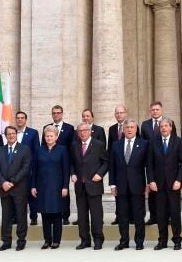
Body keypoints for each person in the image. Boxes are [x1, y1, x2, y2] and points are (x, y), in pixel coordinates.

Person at [147, 117, 182, 250]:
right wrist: (151, 180)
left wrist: (179, 180)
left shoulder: (178, 141)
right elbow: (149, 164)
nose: (163, 128)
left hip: (173, 184)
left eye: (166, 126)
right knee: (161, 214)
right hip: (158, 185)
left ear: (170, 127)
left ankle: (177, 240)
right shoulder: (153, 142)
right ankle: (162, 240)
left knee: (175, 213)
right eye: (161, 126)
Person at [110, 119, 148, 251]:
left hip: (138, 185)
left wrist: (148, 183)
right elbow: (112, 166)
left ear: (136, 129)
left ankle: (139, 242)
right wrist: (112, 185)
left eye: (132, 127)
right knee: (122, 215)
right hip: (121, 186)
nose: (130, 129)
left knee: (139, 216)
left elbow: (148, 166)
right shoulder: (116, 145)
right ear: (123, 130)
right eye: (127, 127)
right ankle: (124, 241)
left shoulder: (143, 144)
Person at [71, 122, 108, 250]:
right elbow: (72, 162)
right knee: (81, 216)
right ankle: (84, 240)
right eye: (79, 131)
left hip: (94, 185)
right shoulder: (74, 145)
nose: (82, 133)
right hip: (80, 186)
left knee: (96, 215)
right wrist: (72, 173)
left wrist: (100, 174)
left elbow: (106, 162)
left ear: (90, 131)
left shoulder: (99, 145)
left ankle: (98, 240)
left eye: (85, 130)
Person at [31, 125, 69, 249]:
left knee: (57, 214)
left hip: (57, 187)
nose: (49, 138)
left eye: (51, 136)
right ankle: (47, 240)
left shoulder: (62, 149)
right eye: (47, 136)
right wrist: (33, 186)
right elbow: (34, 169)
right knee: (45, 214)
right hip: (42, 187)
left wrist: (65, 186)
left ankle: (56, 240)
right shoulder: (38, 150)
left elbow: (66, 170)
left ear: (56, 137)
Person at [0, 126, 31, 251]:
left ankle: (21, 240)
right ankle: (6, 241)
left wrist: (12, 182)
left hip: (19, 188)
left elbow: (25, 168)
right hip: (4, 189)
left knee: (21, 216)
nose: (11, 135)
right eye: (8, 134)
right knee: (6, 216)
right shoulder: (0, 150)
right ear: (5, 135)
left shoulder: (24, 149)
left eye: (13, 133)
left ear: (16, 134)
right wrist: (3, 182)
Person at [140, 101, 177, 225]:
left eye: (157, 109)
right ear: (150, 111)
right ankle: (153, 216)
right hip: (152, 162)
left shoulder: (169, 123)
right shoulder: (145, 125)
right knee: (153, 191)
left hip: (168, 162)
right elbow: (143, 143)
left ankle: (170, 216)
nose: (155, 111)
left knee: (168, 192)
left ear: (161, 110)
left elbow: (174, 142)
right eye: (153, 110)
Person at [107, 105, 137, 225]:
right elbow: (110, 148)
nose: (119, 115)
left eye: (121, 112)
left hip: (132, 166)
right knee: (119, 196)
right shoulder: (112, 129)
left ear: (126, 113)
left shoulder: (132, 126)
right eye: (117, 113)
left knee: (132, 195)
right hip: (119, 166)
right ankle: (119, 216)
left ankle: (132, 217)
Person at [46, 105, 74, 225]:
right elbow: (44, 146)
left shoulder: (69, 128)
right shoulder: (46, 128)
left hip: (64, 162)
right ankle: (52, 213)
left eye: (58, 112)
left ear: (62, 114)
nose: (56, 115)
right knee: (51, 190)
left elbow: (72, 147)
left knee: (64, 189)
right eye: (54, 113)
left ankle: (65, 215)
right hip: (50, 164)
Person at [15, 111, 41, 226]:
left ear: (26, 119)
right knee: (16, 194)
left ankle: (33, 217)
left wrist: (34, 167)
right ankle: (15, 217)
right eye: (18, 118)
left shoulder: (33, 133)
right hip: (15, 169)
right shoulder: (12, 132)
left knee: (31, 194)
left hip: (29, 168)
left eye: (22, 118)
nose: (20, 120)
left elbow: (36, 151)